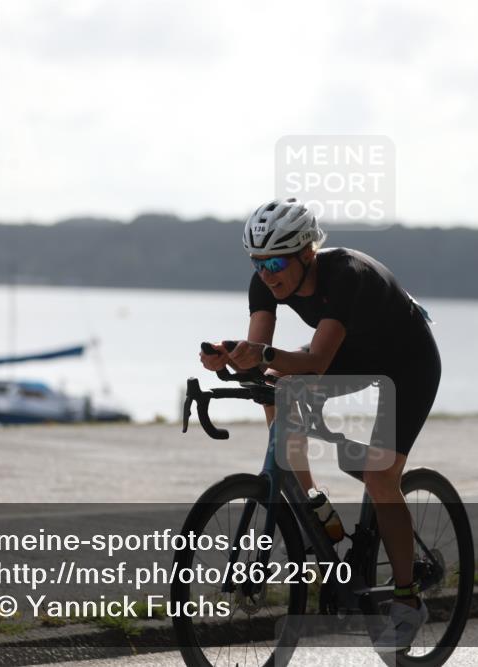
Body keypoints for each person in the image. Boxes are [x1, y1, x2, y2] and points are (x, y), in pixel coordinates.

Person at [199, 197, 442, 650]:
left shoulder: (345, 275)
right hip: (355, 352)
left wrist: (263, 357)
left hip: (408, 361)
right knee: (275, 386)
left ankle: (408, 601)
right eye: (257, 261)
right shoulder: (264, 285)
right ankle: (313, 502)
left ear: (306, 252)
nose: (267, 273)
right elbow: (260, 359)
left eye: (275, 261)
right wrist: (229, 359)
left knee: (379, 476)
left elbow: (315, 360)